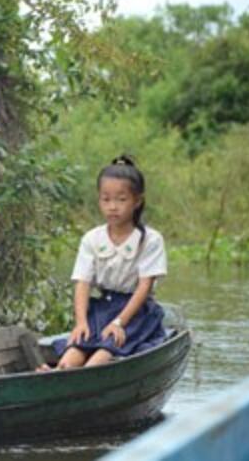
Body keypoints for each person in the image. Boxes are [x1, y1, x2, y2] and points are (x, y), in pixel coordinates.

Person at [42, 155, 167, 371]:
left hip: (135, 312)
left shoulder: (150, 240)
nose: (112, 207)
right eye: (106, 199)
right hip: (101, 308)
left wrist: (119, 323)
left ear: (137, 201)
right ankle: (57, 373)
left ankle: (82, 380)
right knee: (77, 348)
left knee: (104, 352)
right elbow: (82, 283)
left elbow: (144, 287)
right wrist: (81, 321)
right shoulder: (92, 238)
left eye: (121, 199)